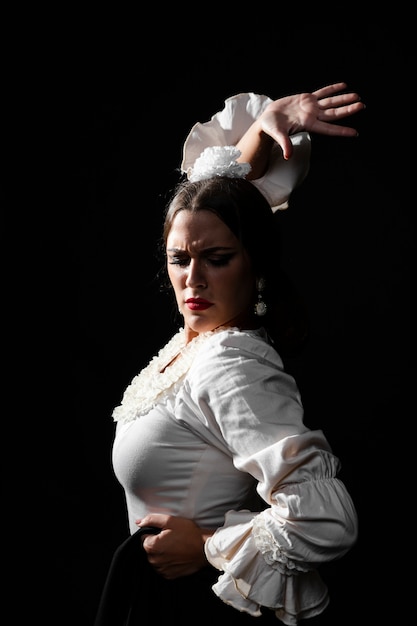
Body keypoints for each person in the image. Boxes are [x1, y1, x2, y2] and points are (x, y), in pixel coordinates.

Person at [94, 82, 365, 626]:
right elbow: (214, 203)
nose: (192, 279)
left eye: (216, 259)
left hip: (191, 606)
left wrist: (210, 547)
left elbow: (324, 517)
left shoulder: (230, 363)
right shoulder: (197, 342)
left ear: (255, 266)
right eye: (179, 259)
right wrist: (265, 125)